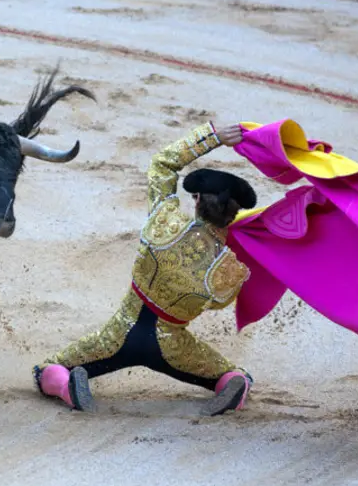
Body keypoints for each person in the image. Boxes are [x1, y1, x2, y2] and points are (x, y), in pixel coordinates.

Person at [32, 121, 257, 416]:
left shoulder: (163, 219)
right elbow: (218, 303)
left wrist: (213, 136)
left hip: (119, 334)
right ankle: (235, 387)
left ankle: (65, 388)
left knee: (49, 368)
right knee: (233, 375)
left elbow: (163, 164)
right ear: (233, 214)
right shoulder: (227, 269)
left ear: (197, 199)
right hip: (173, 349)